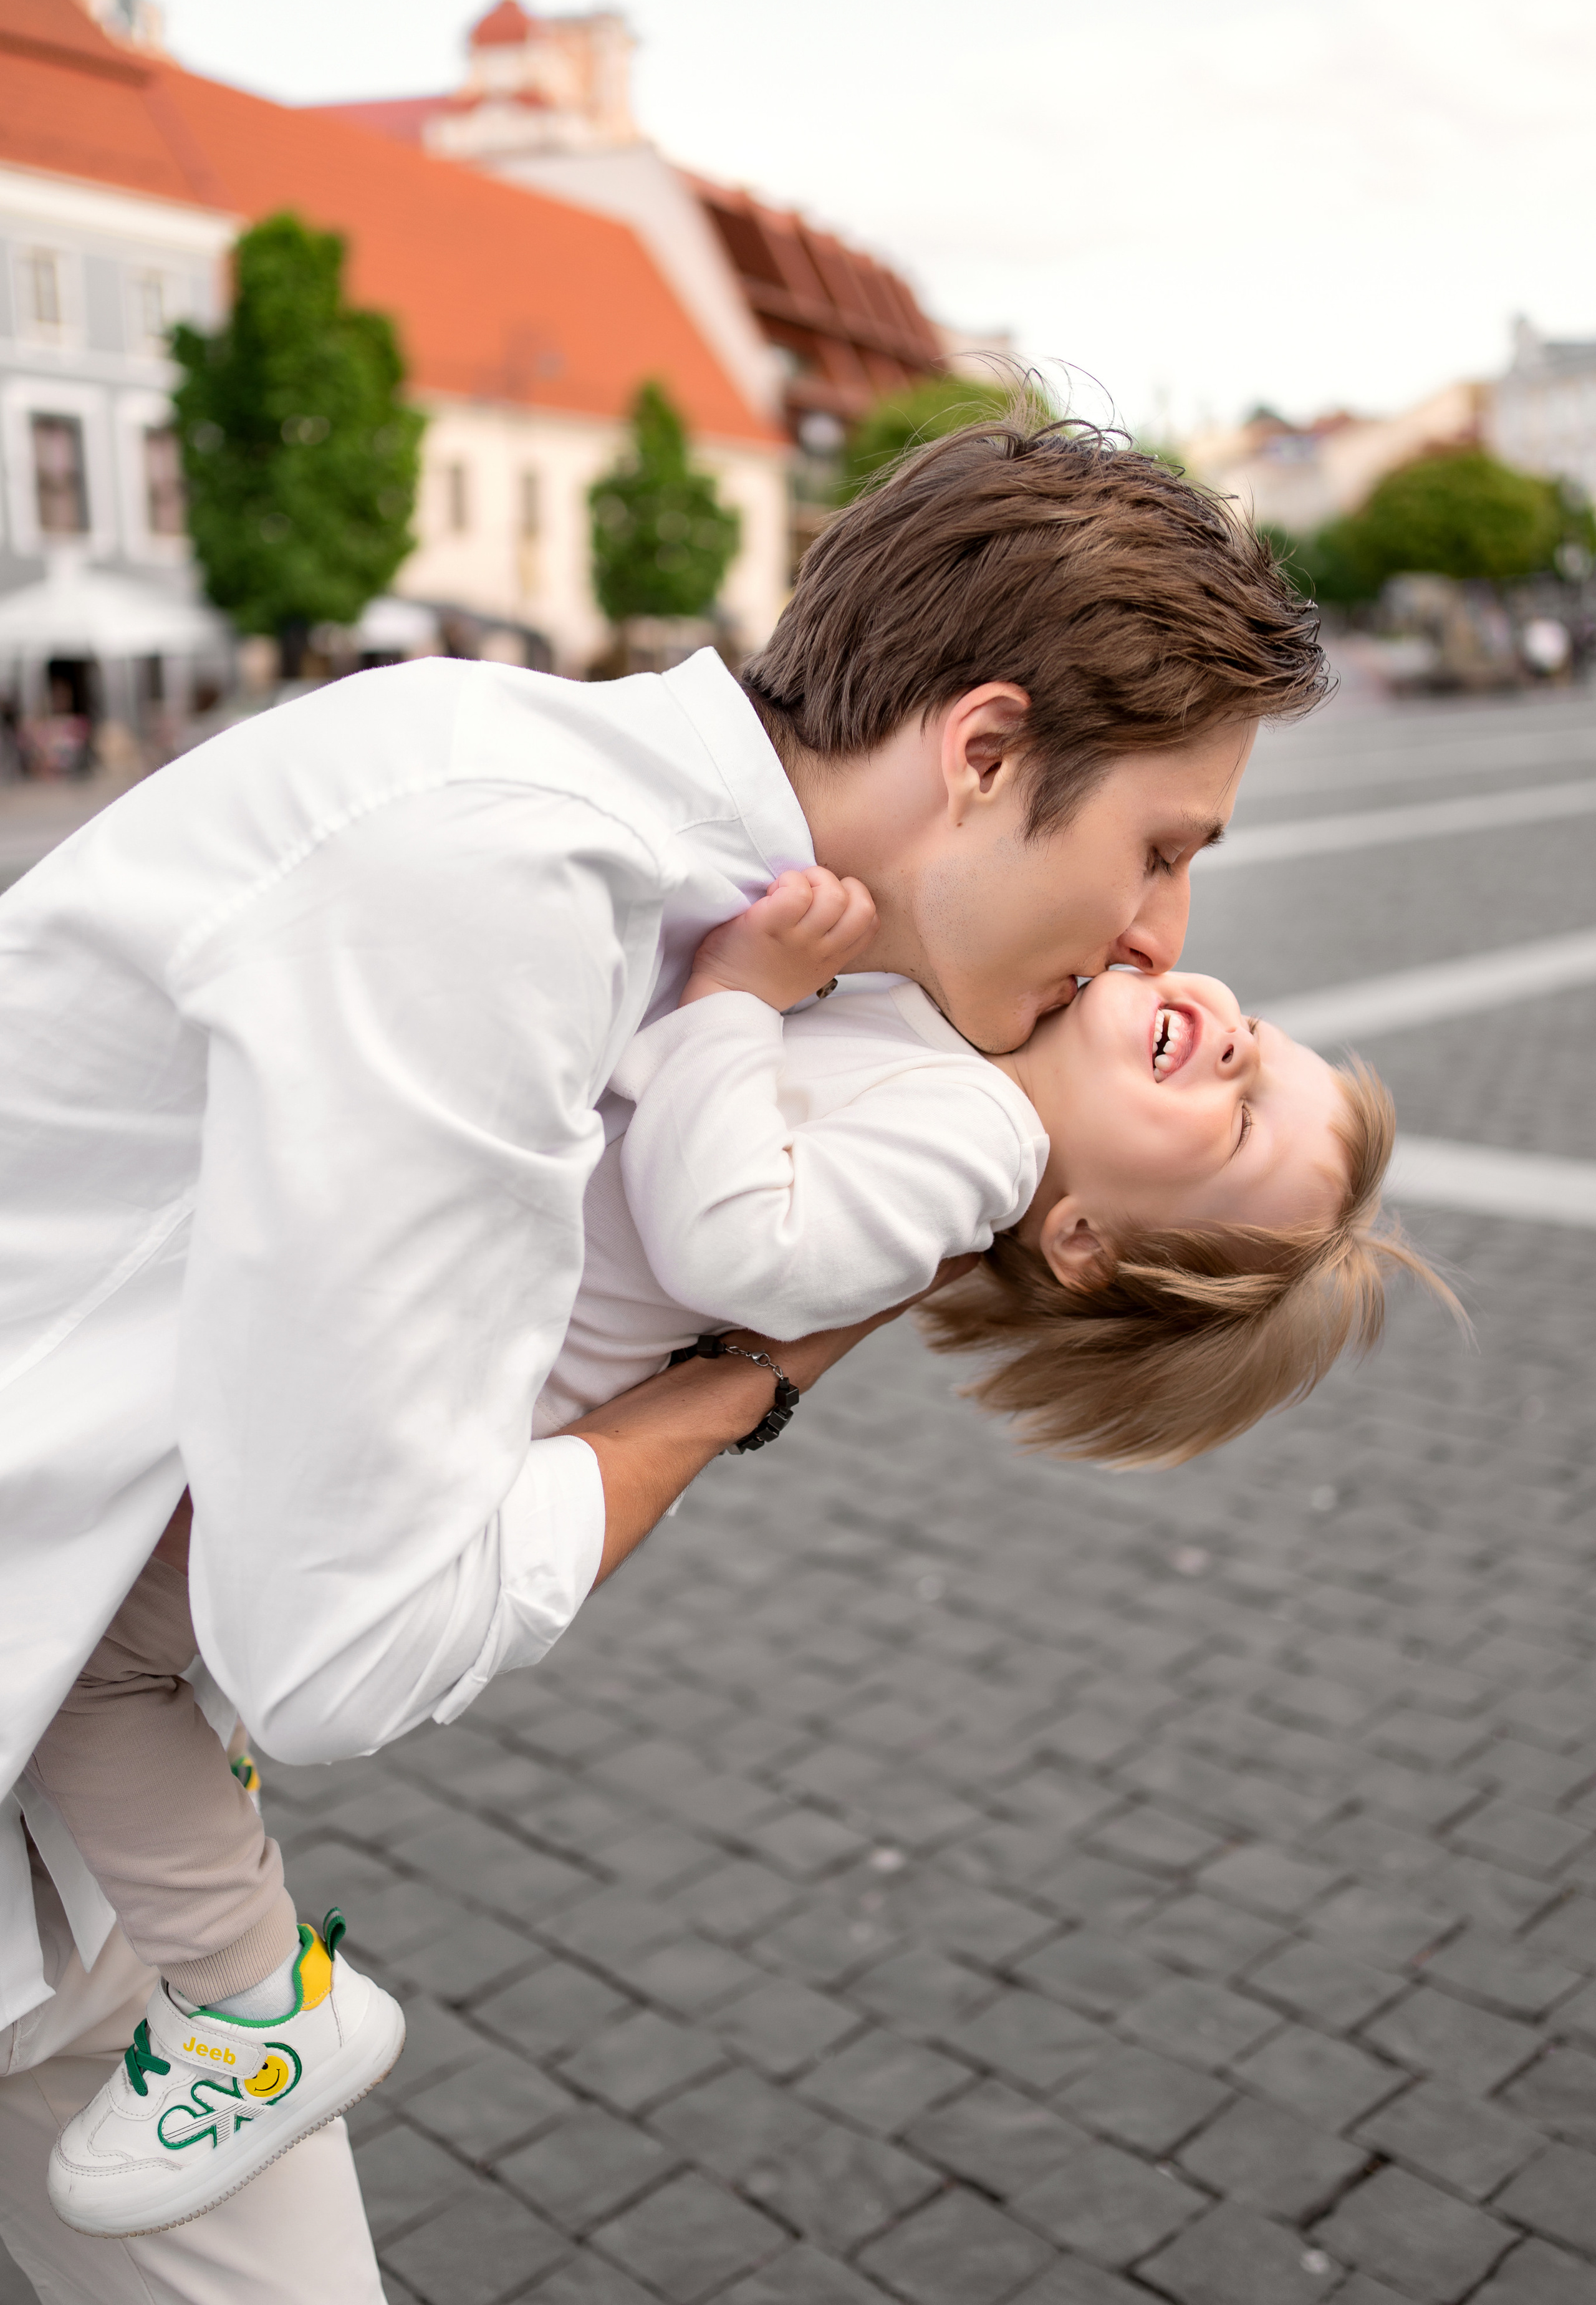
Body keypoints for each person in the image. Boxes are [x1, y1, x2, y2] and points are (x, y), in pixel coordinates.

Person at [0, 421, 1325, 2299]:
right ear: (985, 750)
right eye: (1160, 847)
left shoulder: (713, 917)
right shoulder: (503, 886)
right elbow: (342, 1652)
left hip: (92, 1848)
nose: (1163, 934)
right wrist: (739, 1389)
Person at [32, 859, 1441, 2245]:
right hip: (396, 1379)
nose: (1241, 1041)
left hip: (403, 1430)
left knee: (99, 1674)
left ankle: (255, 1999)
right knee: (142, 1652)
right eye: (1268, 1042)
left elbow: (733, 1246)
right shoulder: (956, 1056)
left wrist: (733, 995)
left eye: (1244, 1113)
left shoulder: (980, 1144)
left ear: (1078, 1241)